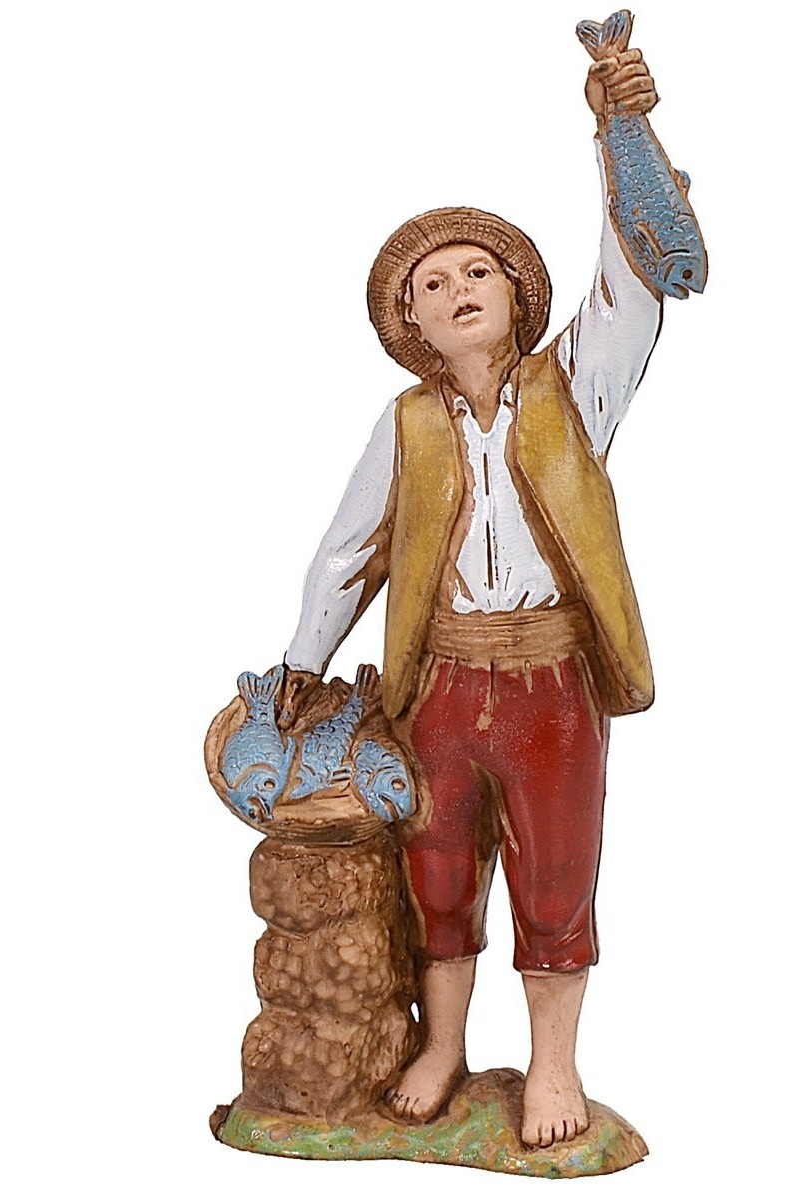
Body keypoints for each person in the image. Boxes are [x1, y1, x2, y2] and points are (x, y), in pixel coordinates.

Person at [275, 42, 701, 1149]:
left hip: (553, 684)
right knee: (439, 872)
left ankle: (554, 1065)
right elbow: (348, 550)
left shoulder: (575, 388)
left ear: (519, 295)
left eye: (477, 273)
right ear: (410, 324)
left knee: (557, 877)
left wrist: (616, 134)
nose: (457, 291)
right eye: (432, 285)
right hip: (442, 685)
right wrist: (303, 661)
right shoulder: (408, 425)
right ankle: (444, 1045)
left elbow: (633, 285)